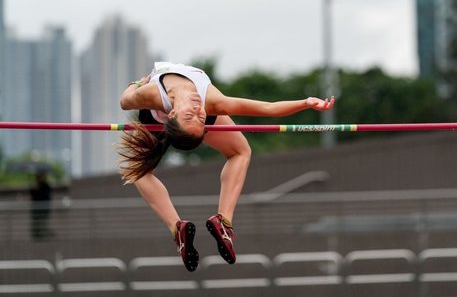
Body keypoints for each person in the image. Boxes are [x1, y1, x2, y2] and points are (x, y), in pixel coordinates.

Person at [116, 62, 334, 272]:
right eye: (195, 115)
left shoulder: (204, 105)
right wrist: (136, 85)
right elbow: (125, 102)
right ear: (171, 114)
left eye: (200, 118)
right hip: (153, 115)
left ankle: (200, 225)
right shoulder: (203, 102)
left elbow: (268, 108)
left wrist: (306, 102)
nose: (197, 109)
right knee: (140, 171)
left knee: (239, 152)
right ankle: (200, 224)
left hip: (162, 111)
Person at [30, 172, 53, 240]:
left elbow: (45, 196)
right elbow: (32, 195)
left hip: (43, 210)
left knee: (43, 226)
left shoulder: (46, 186)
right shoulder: (34, 186)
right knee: (35, 227)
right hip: (35, 211)